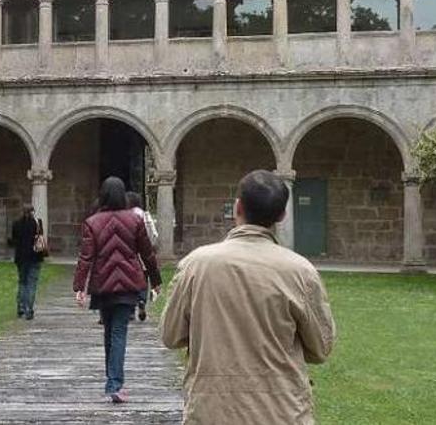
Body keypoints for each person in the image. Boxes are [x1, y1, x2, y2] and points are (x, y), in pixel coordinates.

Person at [161, 170, 335, 425]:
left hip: (212, 411)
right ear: (282, 215)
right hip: (282, 412)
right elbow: (321, 347)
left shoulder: (197, 265)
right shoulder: (300, 271)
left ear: (238, 208)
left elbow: (171, 335)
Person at [74, 177, 162, 404]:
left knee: (109, 332)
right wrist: (155, 279)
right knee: (118, 332)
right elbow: (147, 253)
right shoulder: (134, 220)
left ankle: (112, 381)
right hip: (127, 283)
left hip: (103, 284)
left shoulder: (92, 222)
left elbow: (86, 257)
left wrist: (79, 287)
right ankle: (115, 384)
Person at [7, 205, 44, 320]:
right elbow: (40, 238)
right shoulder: (37, 223)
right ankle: (29, 309)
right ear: (33, 212)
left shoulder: (16, 223)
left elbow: (13, 241)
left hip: (21, 257)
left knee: (22, 282)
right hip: (35, 256)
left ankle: (21, 307)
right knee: (31, 284)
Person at [127, 191, 158, 322]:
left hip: (129, 253)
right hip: (144, 253)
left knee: (129, 280)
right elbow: (154, 235)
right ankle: (141, 301)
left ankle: (130, 308)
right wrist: (150, 245)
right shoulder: (145, 215)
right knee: (143, 280)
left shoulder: (126, 216)